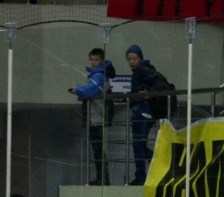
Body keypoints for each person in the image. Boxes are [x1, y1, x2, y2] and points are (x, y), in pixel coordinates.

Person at [124, 44, 173, 186]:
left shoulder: (144, 70)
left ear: (140, 58)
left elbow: (162, 84)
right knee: (139, 144)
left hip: (144, 111)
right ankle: (158, 167)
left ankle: (145, 173)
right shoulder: (141, 71)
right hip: (145, 111)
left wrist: (149, 93)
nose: (132, 61)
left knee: (138, 144)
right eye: (129, 59)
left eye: (135, 58)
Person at [70, 47, 115, 186]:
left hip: (96, 114)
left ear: (102, 60)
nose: (93, 62)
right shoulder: (100, 74)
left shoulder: (99, 76)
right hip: (97, 114)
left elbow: (90, 91)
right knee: (97, 148)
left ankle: (103, 178)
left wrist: (77, 89)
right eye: (92, 60)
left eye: (96, 60)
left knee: (97, 148)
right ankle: (102, 177)